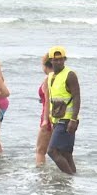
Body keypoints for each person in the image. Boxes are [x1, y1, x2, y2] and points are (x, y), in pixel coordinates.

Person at [46, 46, 80, 175]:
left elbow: (77, 97)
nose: (58, 62)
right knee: (66, 153)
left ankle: (69, 176)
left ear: (65, 59)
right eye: (55, 60)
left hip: (67, 120)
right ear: (51, 61)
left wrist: (73, 119)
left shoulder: (70, 75)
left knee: (52, 151)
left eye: (61, 59)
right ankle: (74, 178)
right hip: (57, 119)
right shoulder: (50, 76)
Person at [35, 53, 53, 166]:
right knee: (58, 150)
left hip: (47, 116)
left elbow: (48, 100)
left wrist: (45, 120)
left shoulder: (48, 79)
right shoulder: (60, 76)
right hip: (58, 116)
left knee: (40, 150)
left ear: (45, 65)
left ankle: (41, 176)